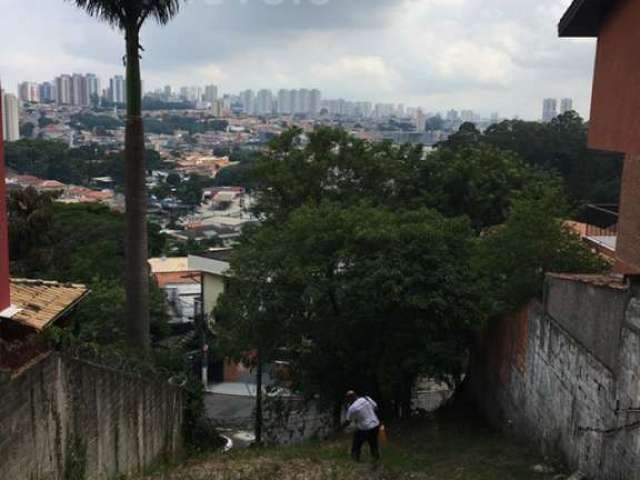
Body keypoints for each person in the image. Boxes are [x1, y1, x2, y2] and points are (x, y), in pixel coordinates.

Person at [343, 390, 381, 462]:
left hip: (365, 428)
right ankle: (376, 460)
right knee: (373, 444)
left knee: (356, 444)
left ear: (349, 399)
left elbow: (348, 421)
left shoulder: (352, 408)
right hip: (375, 425)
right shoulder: (366, 398)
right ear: (356, 395)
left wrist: (340, 428)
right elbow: (376, 408)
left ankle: (355, 459)